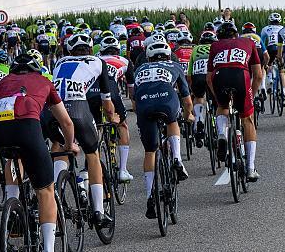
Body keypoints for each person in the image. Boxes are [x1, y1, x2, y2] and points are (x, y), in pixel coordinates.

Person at [0, 54, 78, 252]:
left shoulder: (2, 83)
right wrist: (70, 145)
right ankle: (48, 248)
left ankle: (13, 205)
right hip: (27, 129)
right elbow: (66, 122)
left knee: (15, 158)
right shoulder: (44, 81)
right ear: (36, 69)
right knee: (45, 191)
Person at [49, 33, 116, 227]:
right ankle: (99, 212)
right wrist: (112, 119)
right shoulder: (98, 61)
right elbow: (108, 104)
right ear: (91, 49)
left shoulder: (60, 62)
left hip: (54, 109)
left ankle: (56, 195)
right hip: (78, 107)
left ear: (70, 50)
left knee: (59, 146)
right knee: (92, 154)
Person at [133, 41, 193, 220]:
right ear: (168, 56)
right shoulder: (174, 65)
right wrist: (189, 115)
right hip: (166, 101)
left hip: (144, 105)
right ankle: (177, 160)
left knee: (150, 151)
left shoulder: (139, 70)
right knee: (172, 120)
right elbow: (188, 101)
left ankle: (150, 196)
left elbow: (134, 102)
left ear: (148, 57)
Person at [208, 22, 261, 182]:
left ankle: (222, 134)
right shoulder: (248, 42)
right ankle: (250, 168)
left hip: (220, 76)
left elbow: (208, 78)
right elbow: (258, 75)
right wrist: (252, 93)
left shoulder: (215, 46)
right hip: (240, 76)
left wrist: (218, 100)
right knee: (248, 120)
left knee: (222, 107)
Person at [88, 36, 136, 182]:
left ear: (100, 51)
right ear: (118, 51)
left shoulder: (94, 60)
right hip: (110, 90)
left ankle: (92, 163)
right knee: (122, 125)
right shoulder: (125, 61)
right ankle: (122, 170)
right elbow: (131, 88)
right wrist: (133, 104)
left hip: (91, 94)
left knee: (95, 128)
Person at [187, 31, 216, 147]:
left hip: (198, 77)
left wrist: (192, 90)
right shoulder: (216, 47)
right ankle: (218, 127)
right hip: (212, 76)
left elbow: (189, 76)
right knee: (218, 103)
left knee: (199, 98)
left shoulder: (195, 49)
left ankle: (199, 119)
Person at [241, 22, 268, 110]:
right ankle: (262, 86)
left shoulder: (240, 37)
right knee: (261, 69)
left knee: (247, 74)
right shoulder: (257, 37)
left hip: (246, 54)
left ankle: (248, 94)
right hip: (258, 52)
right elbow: (266, 55)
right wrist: (266, 64)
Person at [260, 13, 285, 102]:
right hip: (282, 48)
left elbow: (261, 42)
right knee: (281, 70)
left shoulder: (265, 28)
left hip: (271, 47)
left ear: (270, 21)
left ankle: (269, 77)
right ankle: (284, 93)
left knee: (268, 63)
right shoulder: (283, 28)